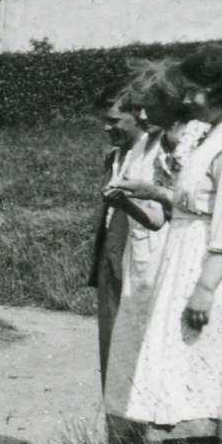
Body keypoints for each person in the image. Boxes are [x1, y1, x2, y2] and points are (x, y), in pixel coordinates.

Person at [103, 45, 222, 444]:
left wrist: (205, 288)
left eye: (193, 91)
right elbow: (198, 203)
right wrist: (154, 193)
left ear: (219, 90)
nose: (186, 100)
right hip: (191, 259)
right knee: (187, 367)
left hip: (216, 270)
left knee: (208, 369)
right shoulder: (215, 132)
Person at [89, 83, 164, 386]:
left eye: (114, 120)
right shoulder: (115, 157)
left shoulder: (155, 154)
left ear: (136, 115)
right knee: (111, 340)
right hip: (112, 253)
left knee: (140, 341)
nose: (107, 128)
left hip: (143, 256)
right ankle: (115, 415)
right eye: (104, 121)